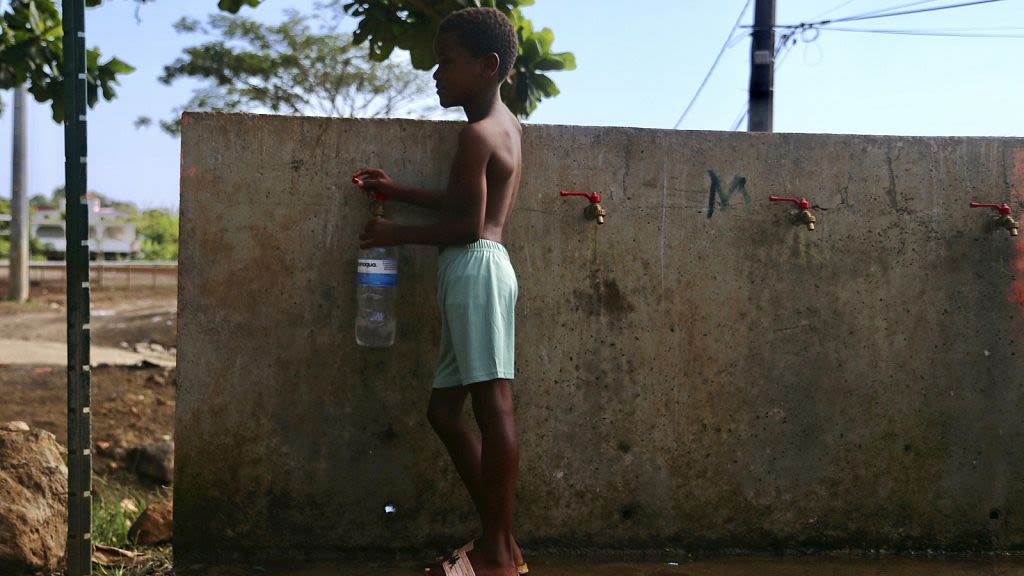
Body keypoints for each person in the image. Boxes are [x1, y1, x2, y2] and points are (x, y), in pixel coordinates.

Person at [351, 7, 525, 576]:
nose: (435, 73)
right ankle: (501, 542)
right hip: (476, 271)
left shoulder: (477, 134)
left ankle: (496, 553)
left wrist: (393, 233)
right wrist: (399, 191)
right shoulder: (505, 125)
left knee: (491, 405)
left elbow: (466, 227)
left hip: (474, 268)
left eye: (446, 62)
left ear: (488, 64)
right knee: (444, 411)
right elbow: (464, 205)